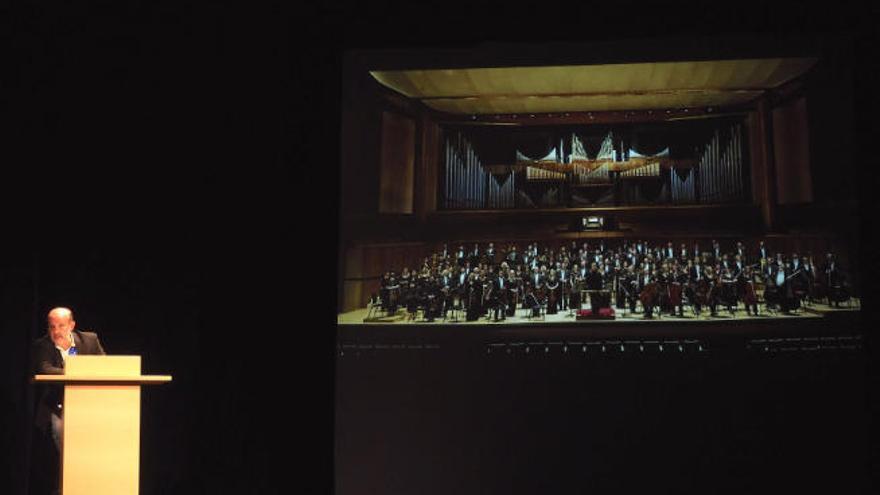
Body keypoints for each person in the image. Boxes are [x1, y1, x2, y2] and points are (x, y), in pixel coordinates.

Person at [31, 307, 106, 495]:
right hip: (58, 406)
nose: (56, 332)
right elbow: (45, 369)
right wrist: (77, 370)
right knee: (64, 439)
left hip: (88, 405)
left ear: (72, 325)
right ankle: (71, 486)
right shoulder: (43, 345)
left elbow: (104, 365)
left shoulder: (89, 340)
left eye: (61, 326)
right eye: (52, 327)